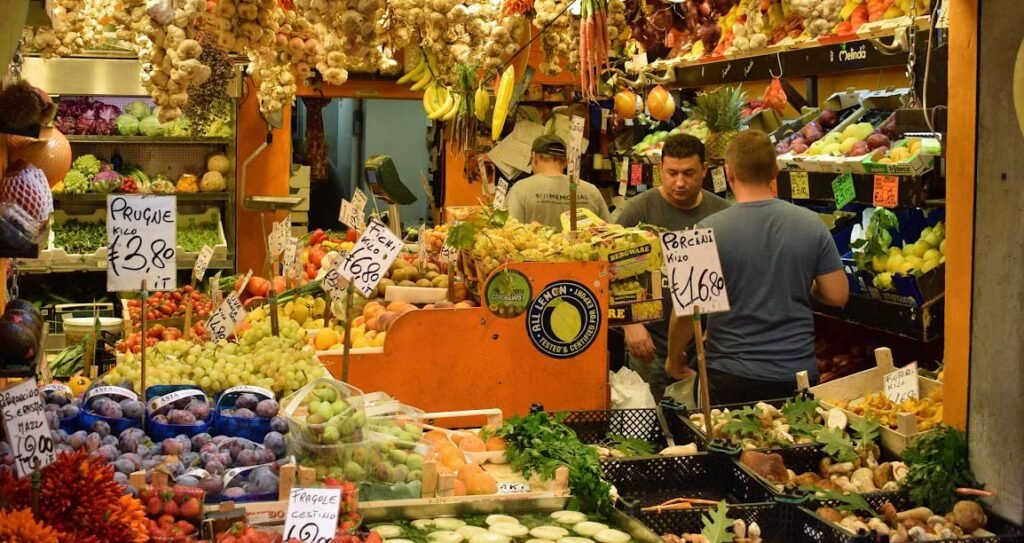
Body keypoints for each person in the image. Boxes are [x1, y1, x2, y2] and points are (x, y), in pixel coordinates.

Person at [666, 130, 849, 405]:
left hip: (729, 375)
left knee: (736, 446)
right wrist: (800, 280)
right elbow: (837, 295)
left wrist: (673, 358)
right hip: (796, 373)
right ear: (775, 171)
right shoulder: (812, 224)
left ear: (729, 173)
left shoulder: (704, 231)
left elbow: (687, 311)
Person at [613, 133, 730, 402]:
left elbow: (734, 274)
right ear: (660, 171)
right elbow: (612, 270)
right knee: (647, 424)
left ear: (705, 170)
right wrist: (631, 323)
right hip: (649, 344)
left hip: (706, 346)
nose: (679, 182)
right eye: (672, 173)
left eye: (689, 173)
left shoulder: (721, 213)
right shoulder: (638, 211)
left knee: (701, 422)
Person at [506, 135, 610, 229]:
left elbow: (509, 232)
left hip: (536, 249)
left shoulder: (520, 189)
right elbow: (611, 232)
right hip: (584, 250)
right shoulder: (591, 191)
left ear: (533, 157)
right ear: (565, 161)